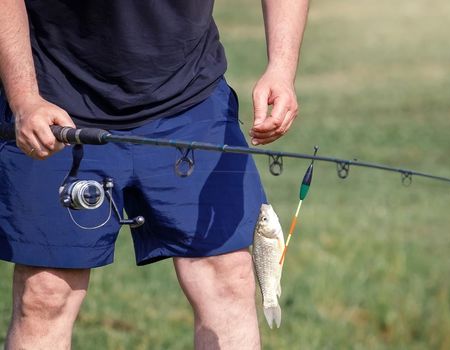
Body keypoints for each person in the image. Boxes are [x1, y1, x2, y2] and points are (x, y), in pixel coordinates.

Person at [0, 1, 308, 349]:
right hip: (55, 101)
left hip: (190, 98)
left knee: (227, 276)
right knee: (44, 293)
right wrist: (24, 98)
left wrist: (281, 68)